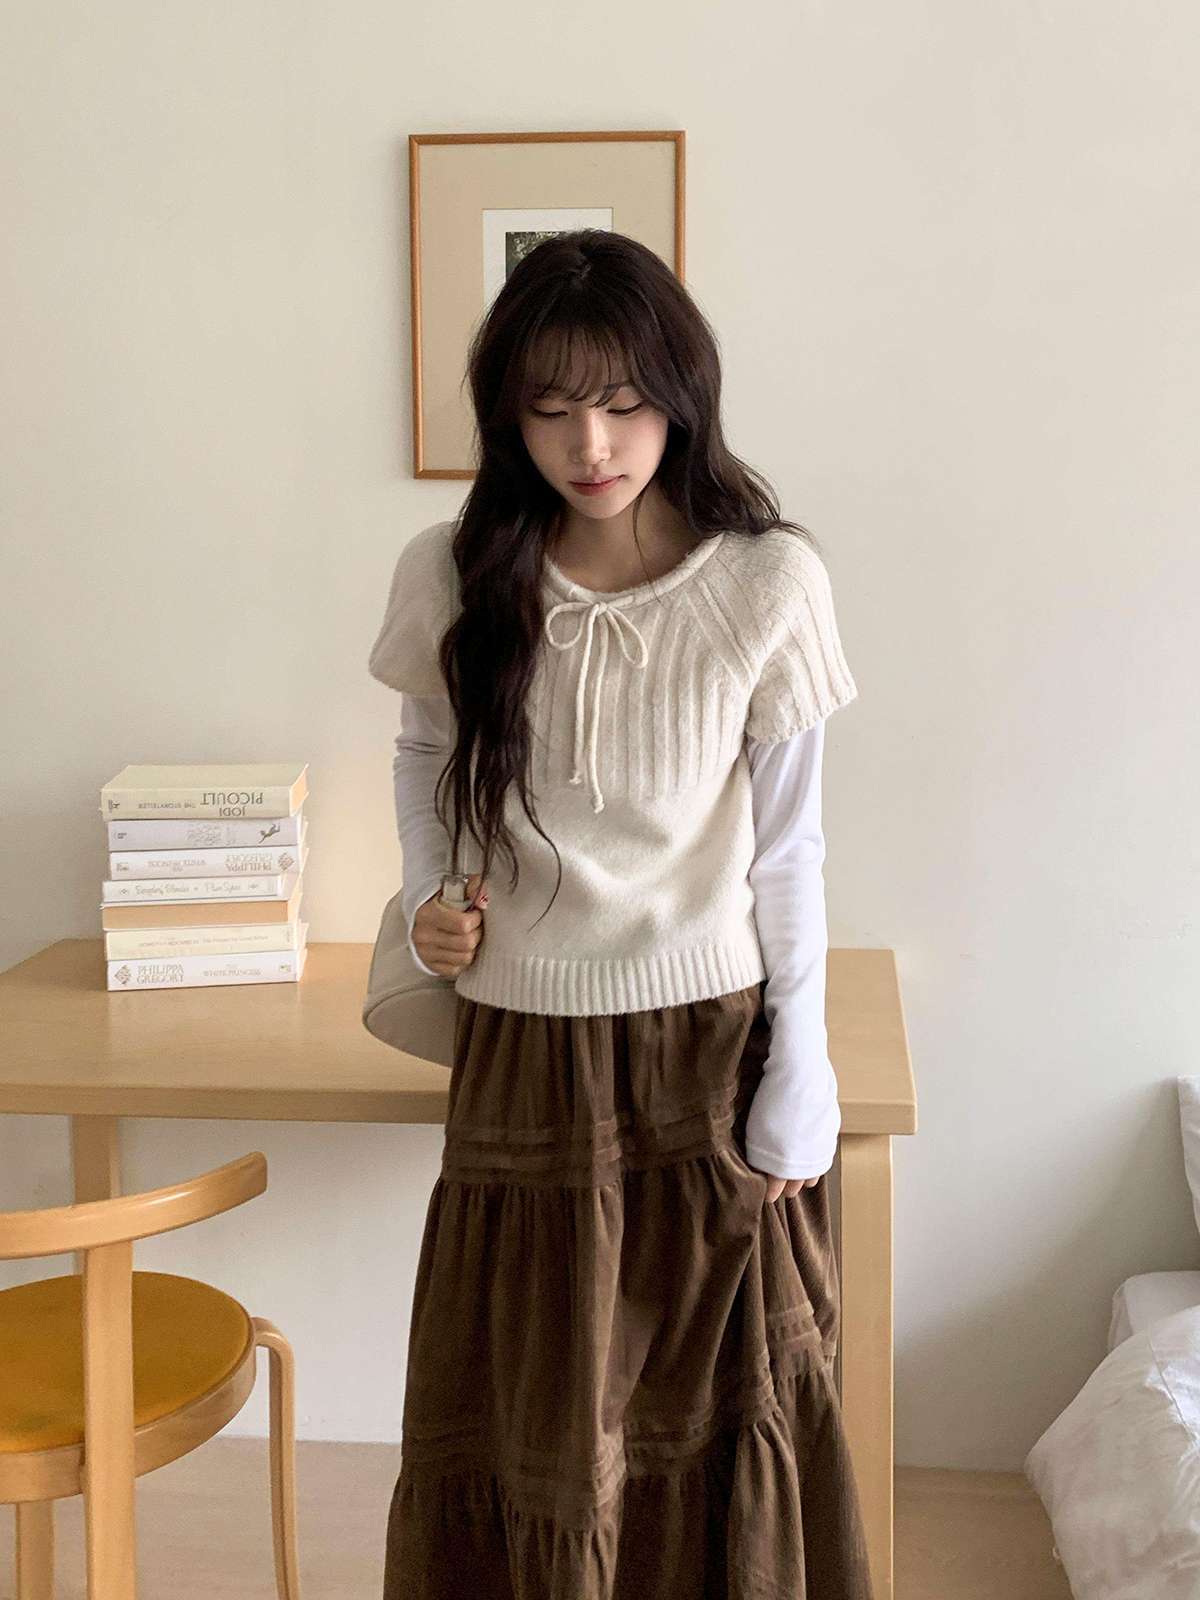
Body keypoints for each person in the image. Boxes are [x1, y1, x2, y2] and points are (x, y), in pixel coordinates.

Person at [368, 228, 874, 1599]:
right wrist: (429, 897)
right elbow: (423, 755)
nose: (590, 444)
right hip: (522, 1051)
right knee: (531, 1418)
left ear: (681, 395)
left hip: (705, 1053)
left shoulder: (767, 582)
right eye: (550, 409)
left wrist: (805, 1069)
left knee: (711, 1419)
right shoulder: (455, 569)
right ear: (508, 416)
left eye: (624, 402)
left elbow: (790, 847)